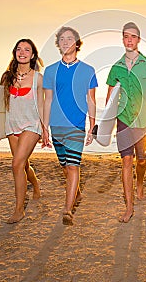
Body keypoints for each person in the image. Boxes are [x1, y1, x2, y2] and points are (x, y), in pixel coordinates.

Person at [106, 22, 146, 223]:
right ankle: (129, 207)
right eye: (125, 36)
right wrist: (107, 123)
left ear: (138, 40)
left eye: (133, 37)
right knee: (126, 161)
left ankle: (139, 182)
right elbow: (110, 97)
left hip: (144, 120)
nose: (129, 40)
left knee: (141, 160)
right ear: (122, 39)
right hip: (123, 120)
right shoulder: (116, 67)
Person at [42, 26, 97, 225]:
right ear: (58, 44)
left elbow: (91, 100)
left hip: (76, 125)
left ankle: (67, 209)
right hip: (56, 126)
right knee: (65, 167)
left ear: (77, 43)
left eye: (70, 38)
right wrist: (44, 129)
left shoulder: (88, 70)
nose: (66, 42)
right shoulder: (50, 71)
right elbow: (47, 101)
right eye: (62, 39)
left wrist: (91, 126)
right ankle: (77, 193)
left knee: (73, 166)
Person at [0, 38, 44, 223]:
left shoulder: (38, 78)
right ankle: (35, 184)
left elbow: (42, 105)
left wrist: (45, 129)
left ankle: (19, 210)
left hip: (31, 125)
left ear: (32, 55)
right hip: (12, 126)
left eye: (27, 49)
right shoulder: (6, 77)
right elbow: (1, 105)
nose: (22, 52)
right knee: (24, 165)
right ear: (15, 52)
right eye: (19, 49)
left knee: (16, 164)